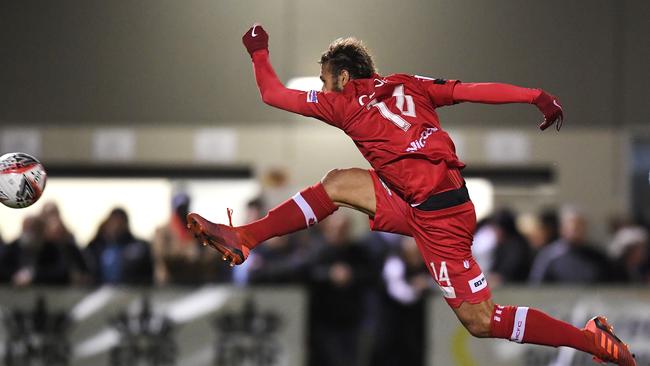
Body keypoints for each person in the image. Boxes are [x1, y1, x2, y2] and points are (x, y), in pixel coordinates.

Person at [187, 24, 636, 365]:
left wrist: (258, 50)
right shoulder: (408, 83)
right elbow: (470, 90)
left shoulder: (340, 103)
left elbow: (271, 92)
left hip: (442, 220)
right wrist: (535, 95)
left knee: (480, 322)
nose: (322, 89)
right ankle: (245, 236)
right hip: (425, 200)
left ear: (343, 77)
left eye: (324, 80)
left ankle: (590, 338)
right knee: (339, 183)